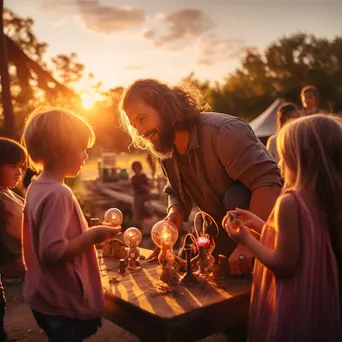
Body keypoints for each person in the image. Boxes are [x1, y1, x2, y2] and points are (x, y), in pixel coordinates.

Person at [119, 79, 282, 275]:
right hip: (217, 232)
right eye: (134, 125)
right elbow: (175, 191)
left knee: (235, 196)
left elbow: (268, 183)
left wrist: (250, 244)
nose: (141, 132)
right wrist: (172, 220)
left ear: (163, 107)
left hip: (267, 234)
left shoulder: (224, 132)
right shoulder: (164, 147)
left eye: (142, 119)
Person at [224, 114, 342, 341]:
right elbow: (303, 239)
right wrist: (260, 224)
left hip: (295, 299)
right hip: (320, 296)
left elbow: (284, 264)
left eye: (284, 156)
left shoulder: (291, 202)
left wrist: (246, 239)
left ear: (306, 157)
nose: (279, 163)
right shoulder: (327, 197)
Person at [21, 107, 121, 342]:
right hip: (60, 301)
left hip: (43, 295)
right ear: (57, 151)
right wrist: (94, 235)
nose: (86, 156)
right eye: (82, 149)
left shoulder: (36, 187)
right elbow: (51, 252)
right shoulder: (58, 194)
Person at [0, 138, 27, 342]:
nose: (18, 172)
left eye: (20, 166)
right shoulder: (1, 200)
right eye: (12, 166)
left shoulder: (8, 192)